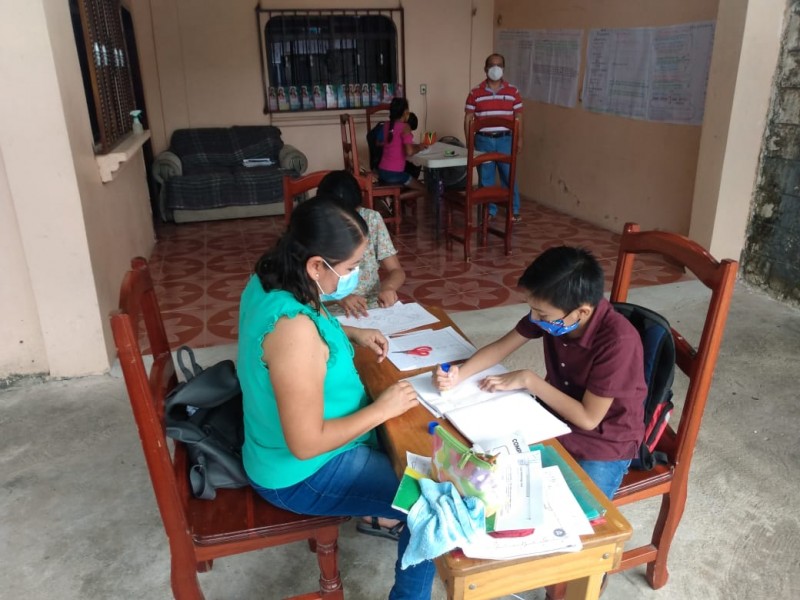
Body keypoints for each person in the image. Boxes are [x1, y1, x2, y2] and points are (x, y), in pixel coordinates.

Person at [238, 197, 436, 599]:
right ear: (316, 265)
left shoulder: (273, 277)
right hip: (302, 473)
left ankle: (382, 512)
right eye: (348, 269)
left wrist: (350, 333)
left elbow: (308, 321)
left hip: (299, 449)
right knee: (431, 504)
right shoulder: (292, 331)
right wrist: (381, 410)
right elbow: (306, 443)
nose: (357, 275)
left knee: (417, 441)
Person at [434, 246, 646, 499]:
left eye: (542, 314)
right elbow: (502, 346)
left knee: (578, 515)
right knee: (488, 478)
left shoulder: (618, 341)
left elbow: (588, 419)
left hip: (604, 441)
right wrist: (460, 373)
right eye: (532, 309)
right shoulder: (556, 314)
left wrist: (528, 380)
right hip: (552, 417)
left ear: (582, 312)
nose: (534, 319)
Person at [318, 170, 406, 317]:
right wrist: (339, 298)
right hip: (329, 312)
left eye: (353, 214)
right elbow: (303, 290)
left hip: (371, 309)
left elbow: (396, 271)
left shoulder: (370, 220)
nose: (349, 222)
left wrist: (388, 287)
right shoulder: (316, 227)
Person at [464, 53, 524, 223]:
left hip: (506, 140)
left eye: (499, 65)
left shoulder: (513, 91)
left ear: (503, 68)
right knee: (486, 178)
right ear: (485, 68)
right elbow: (468, 117)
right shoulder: (475, 92)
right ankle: (489, 210)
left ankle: (513, 209)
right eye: (492, 65)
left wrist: (520, 138)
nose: (495, 68)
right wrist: (469, 141)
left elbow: (518, 116)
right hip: (483, 140)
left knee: (509, 175)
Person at [377, 97, 427, 195]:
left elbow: (380, 143)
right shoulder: (405, 127)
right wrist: (420, 147)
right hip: (395, 174)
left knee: (409, 179)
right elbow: (409, 151)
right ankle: (395, 200)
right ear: (405, 112)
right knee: (424, 189)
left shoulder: (386, 125)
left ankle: (393, 199)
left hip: (382, 171)